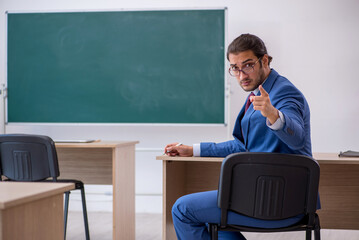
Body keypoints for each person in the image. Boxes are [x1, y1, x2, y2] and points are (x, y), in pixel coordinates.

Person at [164, 33, 313, 240]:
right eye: (235, 68)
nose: (242, 75)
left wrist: (274, 115)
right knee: (208, 216)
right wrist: (193, 149)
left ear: (265, 60)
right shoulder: (258, 95)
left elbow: (297, 137)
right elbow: (242, 146)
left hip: (282, 201)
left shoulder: (284, 93)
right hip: (264, 195)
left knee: (182, 210)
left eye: (248, 65)